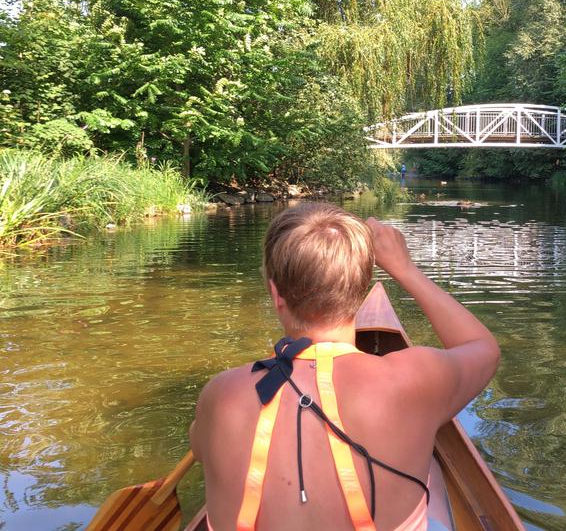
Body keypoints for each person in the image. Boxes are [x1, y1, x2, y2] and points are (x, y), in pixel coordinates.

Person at [189, 203, 500, 531]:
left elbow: (198, 446)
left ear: (275, 293)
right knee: (433, 468)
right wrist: (404, 268)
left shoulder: (220, 395)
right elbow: (484, 349)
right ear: (362, 288)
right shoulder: (412, 380)